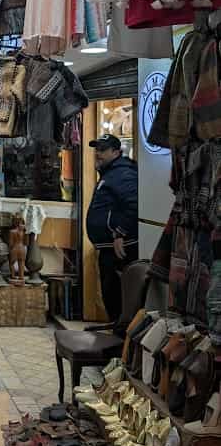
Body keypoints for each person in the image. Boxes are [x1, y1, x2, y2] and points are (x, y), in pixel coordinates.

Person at [86, 134, 139, 323]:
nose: (97, 153)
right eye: (96, 149)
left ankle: (121, 342)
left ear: (116, 152)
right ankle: (117, 338)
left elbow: (134, 204)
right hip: (109, 248)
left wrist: (120, 233)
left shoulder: (123, 173)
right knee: (112, 296)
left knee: (119, 298)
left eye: (103, 150)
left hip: (120, 249)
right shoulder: (111, 173)